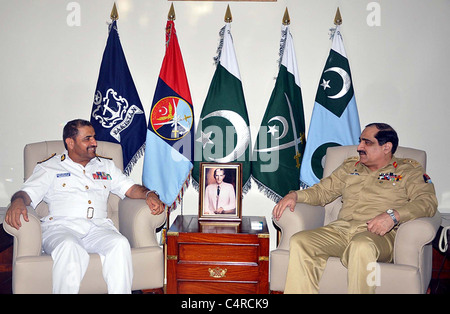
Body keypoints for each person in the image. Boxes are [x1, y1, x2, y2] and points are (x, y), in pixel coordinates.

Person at [273, 123, 438, 294]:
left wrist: (393, 216)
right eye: (360, 141)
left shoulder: (409, 170)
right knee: (301, 241)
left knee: (361, 245)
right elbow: (322, 192)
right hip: (342, 229)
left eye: (367, 143)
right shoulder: (350, 167)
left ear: (386, 147)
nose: (359, 147)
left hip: (380, 235)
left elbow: (427, 202)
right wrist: (295, 196)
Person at [4, 119, 165, 294]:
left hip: (98, 228)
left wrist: (150, 194)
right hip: (61, 227)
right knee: (69, 247)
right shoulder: (50, 167)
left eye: (94, 138)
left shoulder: (106, 166)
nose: (94, 143)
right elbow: (26, 193)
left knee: (119, 244)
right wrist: (17, 201)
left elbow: (131, 189)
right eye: (87, 139)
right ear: (70, 142)